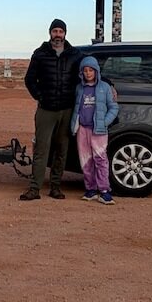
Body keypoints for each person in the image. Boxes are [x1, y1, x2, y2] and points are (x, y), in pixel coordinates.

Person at [20, 18, 83, 200]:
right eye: (55, 31)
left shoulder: (74, 54)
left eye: (61, 31)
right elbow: (29, 79)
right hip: (46, 110)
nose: (58, 35)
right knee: (41, 148)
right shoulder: (40, 54)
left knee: (61, 149)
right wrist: (40, 96)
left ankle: (55, 187)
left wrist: (108, 83)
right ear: (50, 33)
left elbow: (90, 70)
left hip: (66, 109)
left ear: (65, 34)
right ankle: (34, 188)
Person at [71, 56, 119, 204]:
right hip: (83, 130)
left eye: (91, 70)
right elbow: (76, 107)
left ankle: (104, 190)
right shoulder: (80, 88)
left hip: (98, 130)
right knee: (85, 160)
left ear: (96, 71)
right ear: (82, 73)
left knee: (101, 159)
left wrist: (105, 122)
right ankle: (90, 189)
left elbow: (114, 107)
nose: (88, 73)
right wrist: (74, 125)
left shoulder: (104, 88)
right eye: (85, 70)